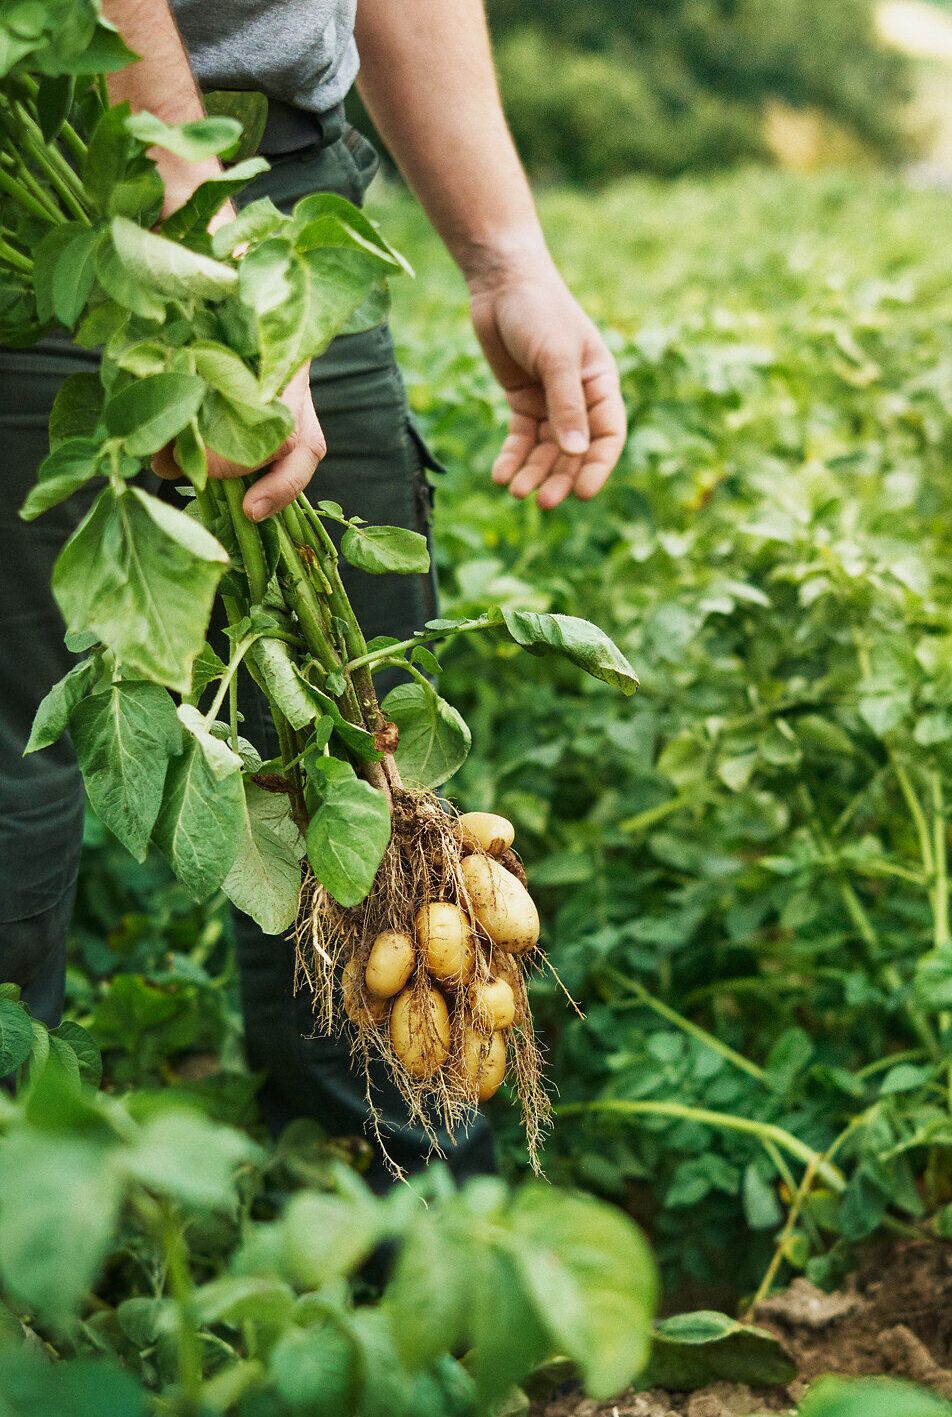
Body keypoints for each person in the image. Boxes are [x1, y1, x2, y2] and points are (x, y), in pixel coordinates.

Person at [0, 0, 626, 1180]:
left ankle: (406, 1263)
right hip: (46, 167)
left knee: (355, 753)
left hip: (274, 173)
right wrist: (202, 240)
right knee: (9, 784)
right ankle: (27, 1309)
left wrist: (506, 255)